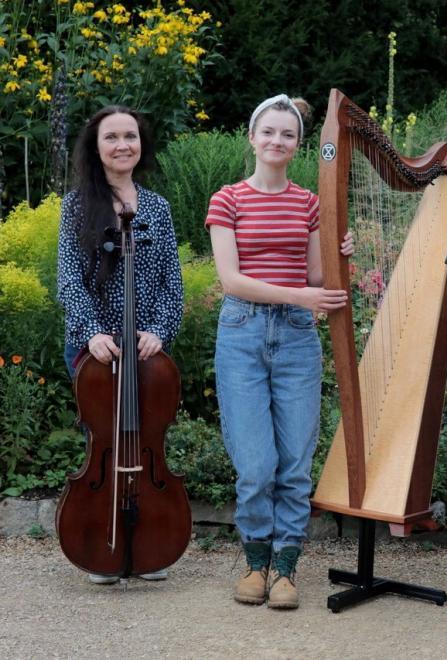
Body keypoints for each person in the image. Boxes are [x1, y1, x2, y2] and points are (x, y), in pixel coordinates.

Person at [206, 94, 353, 609]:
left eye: (287, 134)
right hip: (242, 335)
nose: (277, 141)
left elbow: (318, 279)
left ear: (297, 144)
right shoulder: (227, 199)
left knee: (293, 463)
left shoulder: (309, 203)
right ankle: (254, 562)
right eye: (268, 131)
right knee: (255, 465)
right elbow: (231, 280)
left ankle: (286, 569)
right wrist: (301, 296)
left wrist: (340, 256)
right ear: (252, 137)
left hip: (295, 336)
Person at [57, 105, 184, 585]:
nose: (122, 145)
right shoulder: (77, 207)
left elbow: (172, 281)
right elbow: (69, 279)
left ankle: (151, 538)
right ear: (97, 147)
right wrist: (92, 332)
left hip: (145, 350)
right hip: (97, 349)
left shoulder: (157, 209)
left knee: (145, 437)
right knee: (103, 439)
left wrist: (160, 330)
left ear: (140, 144)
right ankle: (101, 541)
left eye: (130, 136)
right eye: (112, 137)